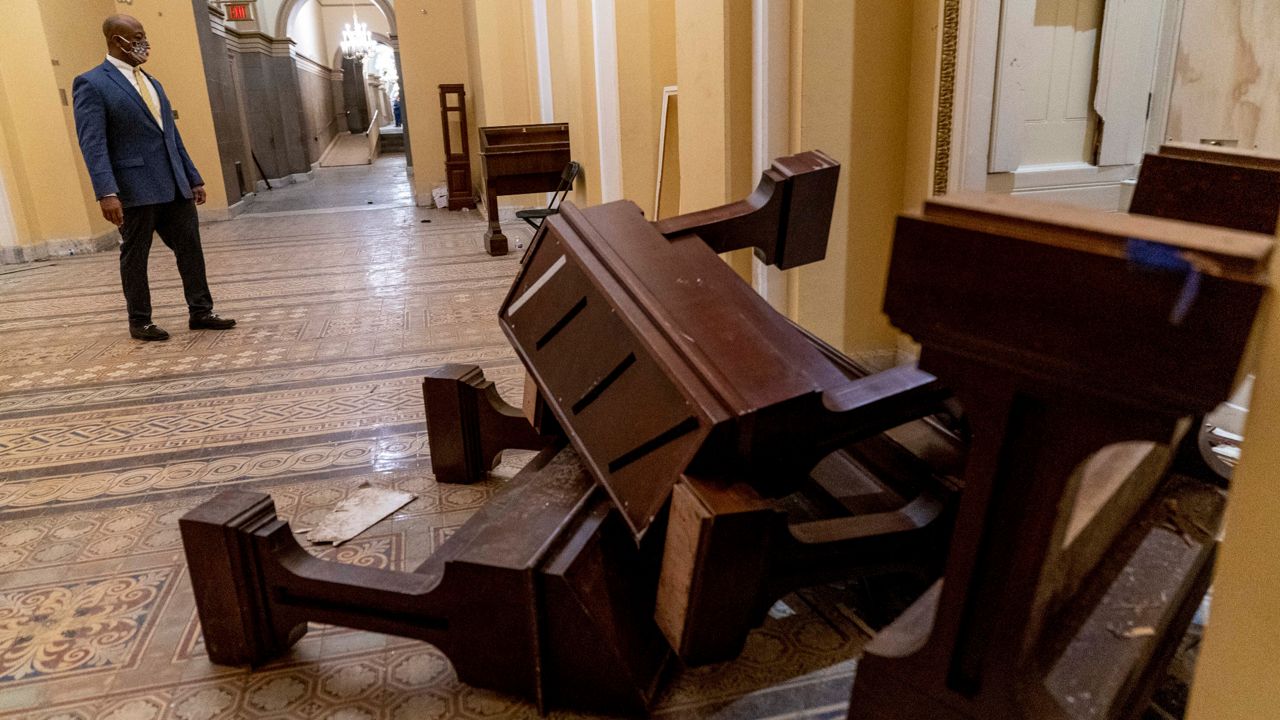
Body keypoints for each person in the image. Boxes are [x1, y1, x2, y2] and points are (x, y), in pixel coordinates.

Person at [72, 14, 235, 341]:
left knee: (191, 249)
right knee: (136, 256)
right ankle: (140, 320)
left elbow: (170, 135)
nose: (144, 42)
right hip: (134, 188)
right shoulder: (92, 83)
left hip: (175, 184)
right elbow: (93, 143)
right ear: (116, 40)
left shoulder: (151, 81)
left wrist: (193, 176)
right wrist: (106, 191)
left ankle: (201, 311)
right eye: (138, 36)